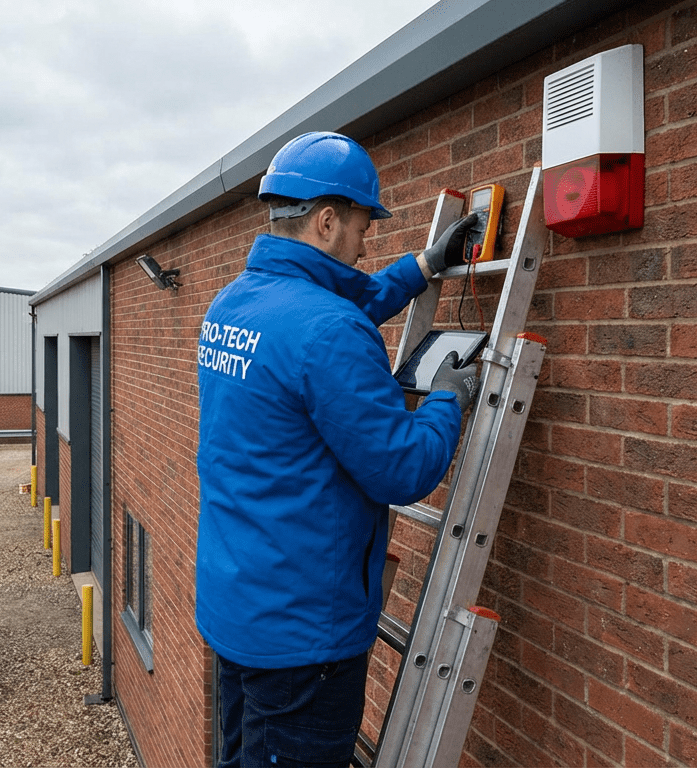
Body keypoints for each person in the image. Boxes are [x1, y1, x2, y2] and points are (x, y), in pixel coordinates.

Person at [195, 131, 480, 767]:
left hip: (240, 607)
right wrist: (447, 400)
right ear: (326, 220)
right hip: (305, 642)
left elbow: (333, 306)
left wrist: (425, 266)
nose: (364, 242)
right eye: (359, 226)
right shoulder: (328, 330)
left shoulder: (234, 303)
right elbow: (403, 466)